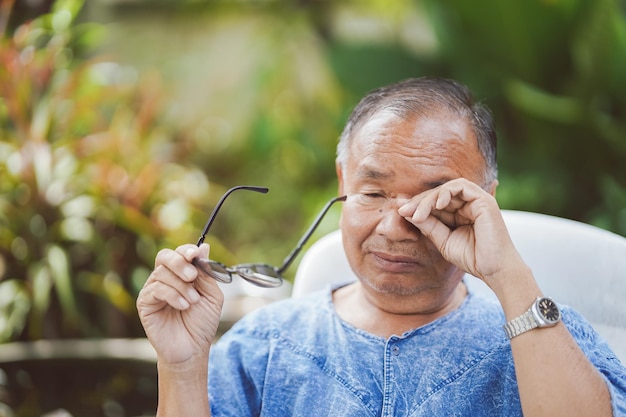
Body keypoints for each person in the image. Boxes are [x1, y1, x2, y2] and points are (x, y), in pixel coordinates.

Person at [137, 77, 626, 416]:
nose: (396, 226)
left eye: (435, 199)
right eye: (373, 193)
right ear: (343, 182)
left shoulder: (544, 332)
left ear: (484, 202)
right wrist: (180, 368)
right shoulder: (264, 347)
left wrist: (510, 276)